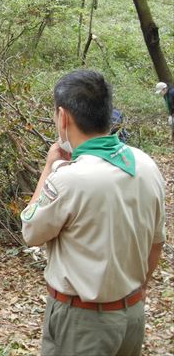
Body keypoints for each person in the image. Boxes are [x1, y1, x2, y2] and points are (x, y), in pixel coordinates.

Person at [21, 70, 166, 356]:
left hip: (82, 324)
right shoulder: (146, 164)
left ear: (63, 117)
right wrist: (137, 291)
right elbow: (156, 243)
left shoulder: (69, 179)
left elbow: (30, 230)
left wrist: (49, 167)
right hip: (132, 315)